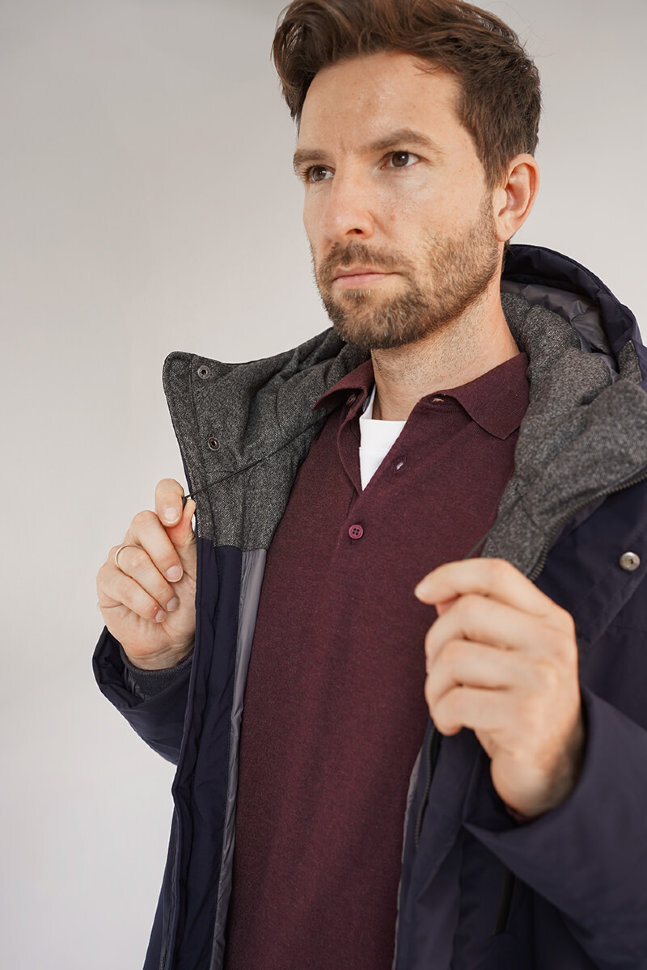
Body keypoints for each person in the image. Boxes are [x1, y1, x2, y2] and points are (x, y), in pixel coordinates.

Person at [94, 1, 647, 968]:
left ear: (508, 194)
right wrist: (173, 664)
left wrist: (571, 765)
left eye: (397, 159)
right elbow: (292, 776)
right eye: (317, 171)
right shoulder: (263, 456)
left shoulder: (621, 491)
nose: (342, 214)